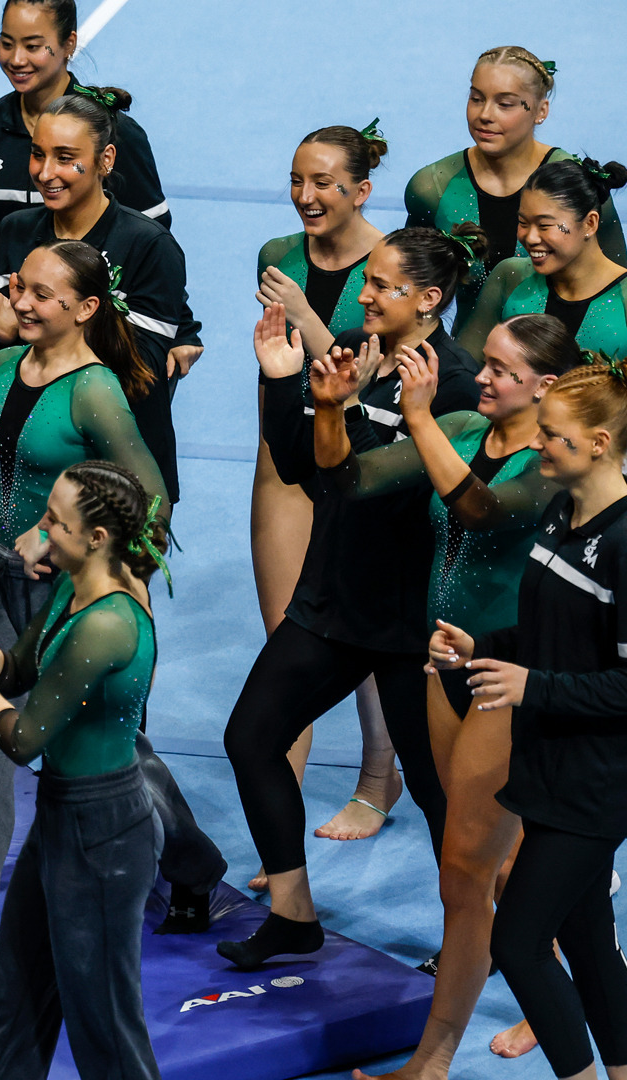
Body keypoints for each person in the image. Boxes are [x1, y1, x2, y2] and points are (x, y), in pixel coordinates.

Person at [0, 239, 221, 991]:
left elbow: (151, 498)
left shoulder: (97, 391)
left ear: (84, 309)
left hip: (69, 592)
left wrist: (103, 574)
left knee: (113, 757)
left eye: (43, 294)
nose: (22, 301)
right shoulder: (7, 364)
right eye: (20, 287)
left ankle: (193, 865)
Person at [324, 317, 579, 1079]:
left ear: (549, 385)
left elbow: (482, 511)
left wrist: (420, 417)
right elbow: (352, 482)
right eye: (487, 362)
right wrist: (334, 409)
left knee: (468, 872)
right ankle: (530, 988)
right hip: (446, 666)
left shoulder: (549, 462)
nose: (485, 375)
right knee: (484, 872)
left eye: (503, 368)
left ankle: (449, 1053)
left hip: (510, 674)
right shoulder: (464, 427)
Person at [224, 228, 484, 969]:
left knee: (438, 792)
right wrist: (283, 379)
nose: (363, 294)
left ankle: (469, 939)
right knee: (250, 738)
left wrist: (347, 413)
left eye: (382, 285)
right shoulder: (350, 347)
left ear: (429, 301)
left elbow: (366, 482)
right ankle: (293, 913)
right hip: (333, 600)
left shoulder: (458, 386)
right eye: (366, 281)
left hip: (411, 623)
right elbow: (303, 466)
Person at [0, 459, 169, 1080]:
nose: (40, 530)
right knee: (15, 999)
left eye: (54, 521)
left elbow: (23, 738)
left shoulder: (108, 623)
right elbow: (19, 671)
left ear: (97, 539)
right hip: (64, 820)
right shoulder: (70, 586)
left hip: (104, 836)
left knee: (106, 1029)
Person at [437, 361, 627, 1080]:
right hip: (547, 763)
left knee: (517, 940)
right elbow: (546, 630)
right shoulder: (561, 509)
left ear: (600, 443)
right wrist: (480, 650)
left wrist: (533, 686)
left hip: (597, 780)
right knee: (587, 938)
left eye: (552, 436)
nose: (538, 446)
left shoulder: (625, 542)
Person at [252, 123, 399, 858]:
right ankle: (278, 806)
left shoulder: (388, 265)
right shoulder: (278, 256)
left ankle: (379, 773)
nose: (305, 197)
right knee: (289, 630)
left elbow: (370, 370)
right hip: (286, 458)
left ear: (361, 190)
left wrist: (308, 320)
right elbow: (270, 365)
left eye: (325, 184)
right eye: (297, 180)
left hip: (359, 463)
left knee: (360, 632)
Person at [0, 84, 201, 500]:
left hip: (118, 478)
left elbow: (142, 376)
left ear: (105, 160)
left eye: (65, 158)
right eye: (38, 154)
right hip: (31, 465)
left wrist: (22, 330)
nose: (44, 172)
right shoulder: (16, 231)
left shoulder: (148, 246)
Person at [0, 0, 170, 279]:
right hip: (18, 307)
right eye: (6, 43)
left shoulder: (115, 135)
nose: (16, 59)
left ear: (69, 44)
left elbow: (154, 251)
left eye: (33, 46)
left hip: (97, 313)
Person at [405, 47, 627, 331]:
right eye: (476, 99)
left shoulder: (577, 185)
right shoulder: (432, 187)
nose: (485, 114)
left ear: (540, 111)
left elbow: (616, 289)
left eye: (505, 104)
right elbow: (411, 288)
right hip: (472, 361)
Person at [458, 158, 627, 360]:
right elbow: (465, 368)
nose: (530, 238)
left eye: (545, 225)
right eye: (523, 222)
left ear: (590, 224)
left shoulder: (624, 297)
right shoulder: (510, 276)